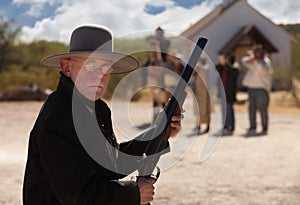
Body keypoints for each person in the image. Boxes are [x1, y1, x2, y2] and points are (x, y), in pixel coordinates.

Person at [22, 25, 183, 205]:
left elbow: (111, 163)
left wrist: (158, 133)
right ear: (67, 68)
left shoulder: (97, 108)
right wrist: (134, 194)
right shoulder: (59, 118)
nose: (100, 75)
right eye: (91, 65)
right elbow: (80, 197)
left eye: (106, 67)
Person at [241, 44, 273, 135]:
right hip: (251, 88)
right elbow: (243, 61)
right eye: (255, 52)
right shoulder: (252, 61)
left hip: (261, 89)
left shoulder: (265, 62)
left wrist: (256, 61)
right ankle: (252, 126)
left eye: (257, 52)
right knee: (251, 109)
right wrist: (251, 59)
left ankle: (264, 127)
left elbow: (263, 69)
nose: (256, 54)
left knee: (262, 109)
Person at [216, 52, 239, 135]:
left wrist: (227, 64)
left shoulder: (234, 66)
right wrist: (222, 63)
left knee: (229, 109)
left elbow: (235, 73)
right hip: (223, 90)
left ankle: (231, 126)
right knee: (223, 109)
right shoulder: (222, 67)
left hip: (230, 92)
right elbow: (217, 68)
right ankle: (225, 125)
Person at [192, 57, 211, 135]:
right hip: (198, 92)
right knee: (198, 110)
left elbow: (204, 70)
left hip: (205, 94)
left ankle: (207, 126)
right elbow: (193, 74)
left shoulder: (206, 68)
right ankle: (198, 125)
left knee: (206, 110)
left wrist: (199, 67)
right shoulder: (198, 69)